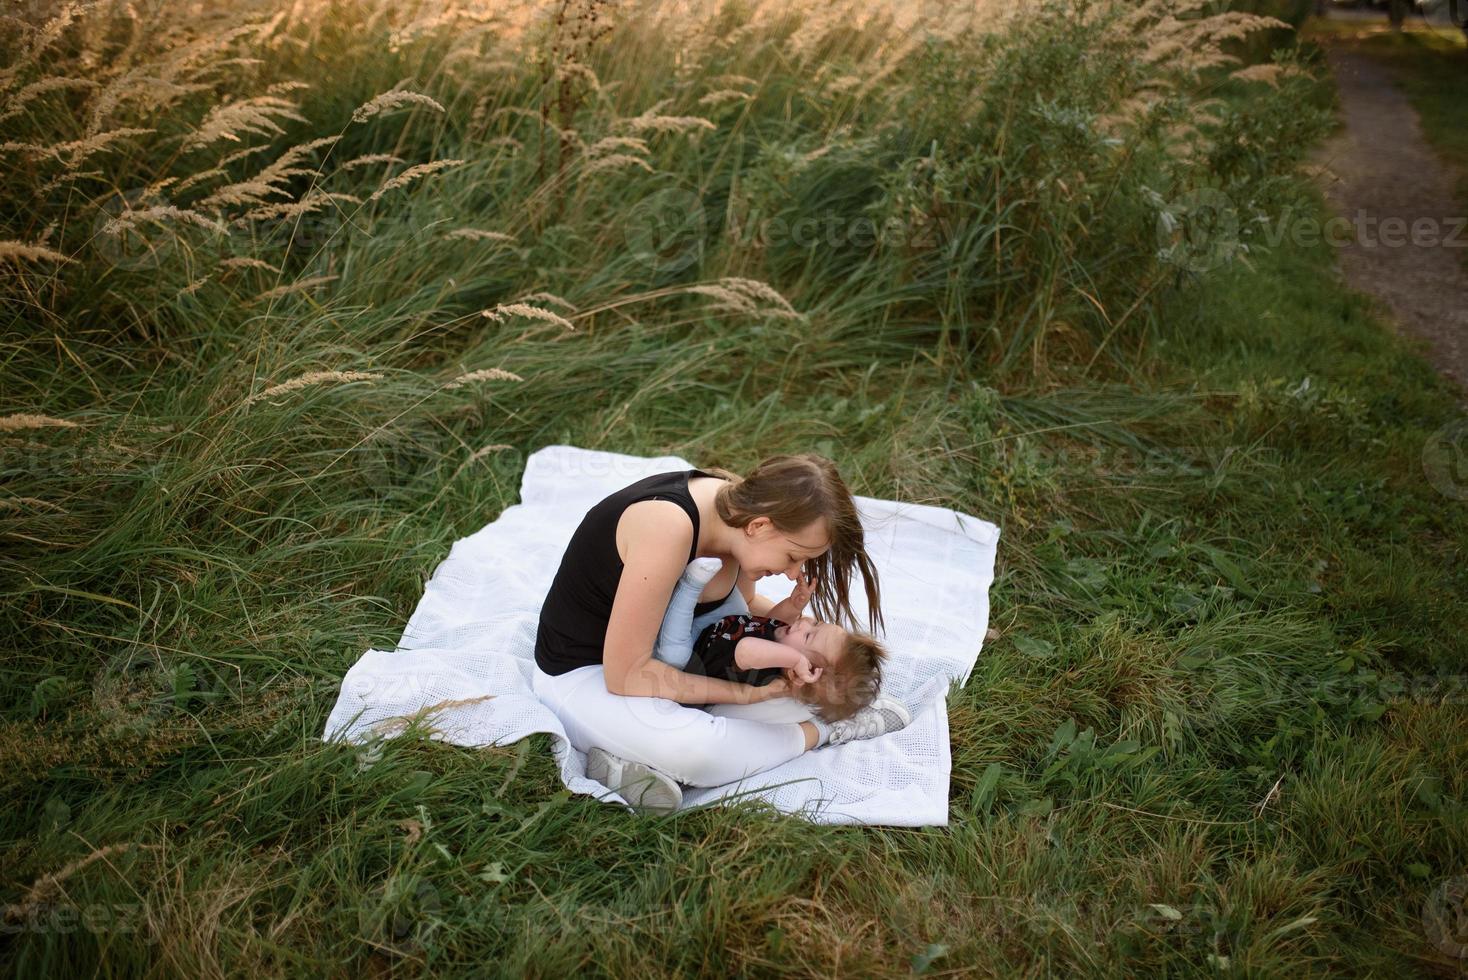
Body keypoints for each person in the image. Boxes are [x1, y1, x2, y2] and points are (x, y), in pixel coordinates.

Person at [530, 454, 912, 813]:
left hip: (676, 672)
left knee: (809, 691)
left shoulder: (735, 523)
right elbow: (627, 675)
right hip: (589, 675)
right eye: (794, 557)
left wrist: (800, 650)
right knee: (700, 750)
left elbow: (739, 611)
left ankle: (626, 760)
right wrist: (746, 693)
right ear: (760, 526)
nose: (795, 573)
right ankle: (823, 732)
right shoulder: (667, 528)